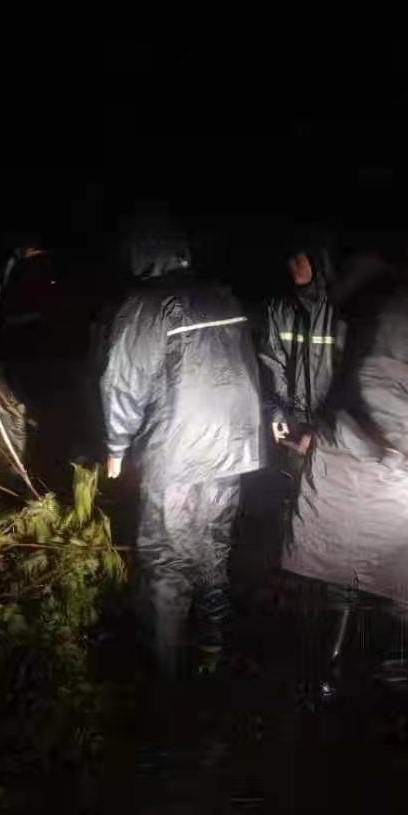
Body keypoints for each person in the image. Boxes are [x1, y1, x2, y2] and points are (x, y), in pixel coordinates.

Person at [281, 208, 408, 698]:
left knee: (372, 575)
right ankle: (357, 681)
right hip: (364, 465)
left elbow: (399, 383)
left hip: (377, 463)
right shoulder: (404, 302)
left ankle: (352, 678)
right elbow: (372, 379)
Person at [100, 218, 263, 675]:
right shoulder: (221, 297)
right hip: (232, 451)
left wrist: (116, 446)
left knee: (165, 562)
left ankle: (164, 679)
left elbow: (122, 382)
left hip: (176, 454)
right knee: (212, 548)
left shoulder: (144, 306)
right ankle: (212, 646)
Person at [257, 235, 346, 456]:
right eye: (290, 260)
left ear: (317, 260)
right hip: (292, 427)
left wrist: (321, 429)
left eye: (300, 259)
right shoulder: (278, 309)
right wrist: (277, 415)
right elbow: (271, 364)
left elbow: (349, 377)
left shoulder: (340, 312)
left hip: (333, 433)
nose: (294, 266)